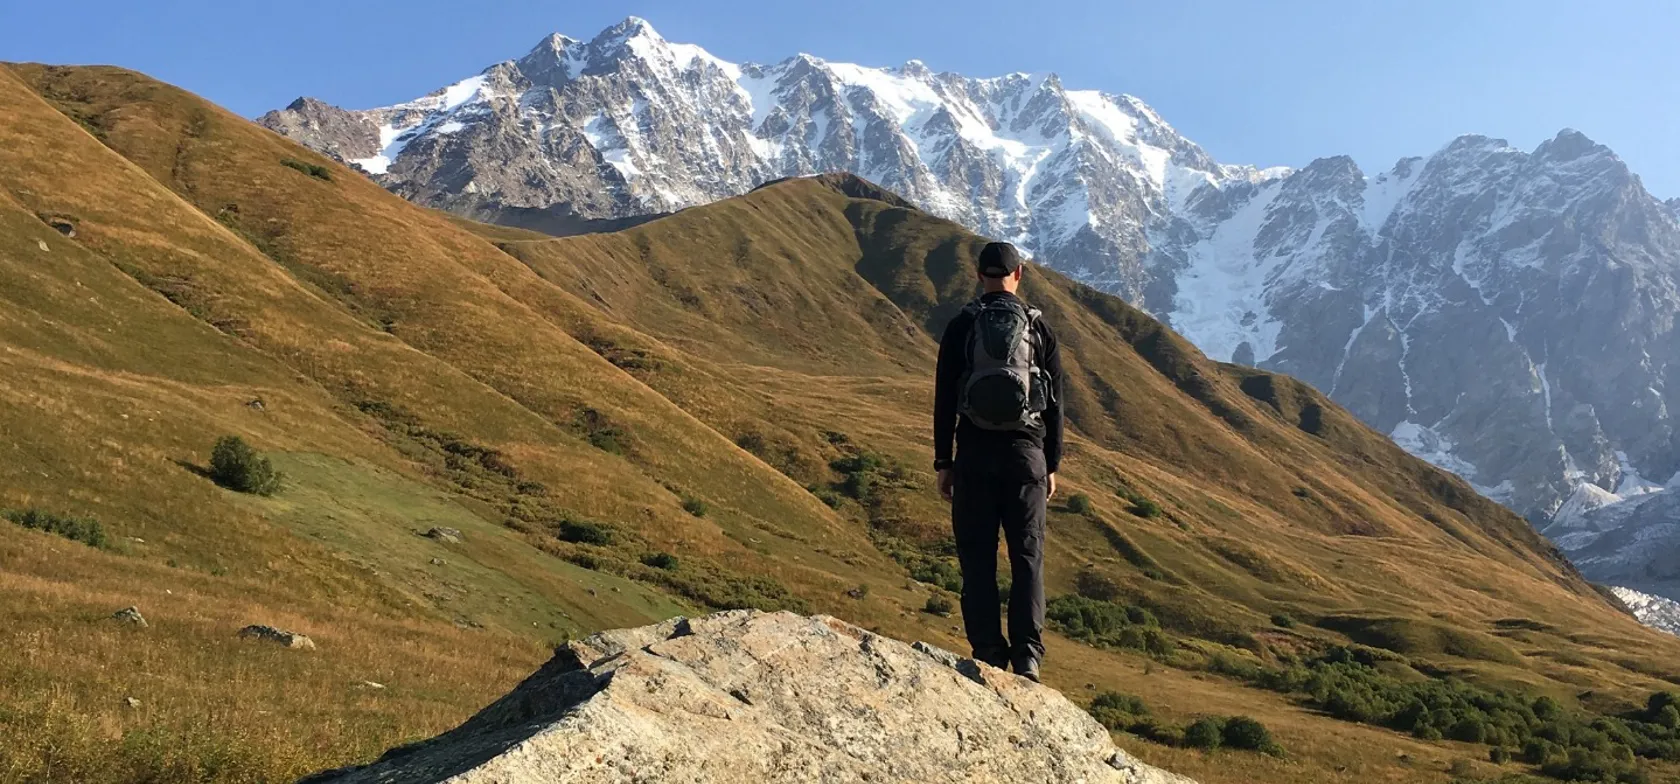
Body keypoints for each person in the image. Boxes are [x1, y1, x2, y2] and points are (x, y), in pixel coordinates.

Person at [933, 240, 1064, 683]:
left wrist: (944, 461)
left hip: (973, 456)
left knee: (977, 559)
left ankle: (989, 653)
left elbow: (944, 398)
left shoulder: (962, 325)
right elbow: (1056, 405)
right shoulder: (1039, 328)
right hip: (1026, 458)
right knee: (1027, 556)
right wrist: (1051, 464)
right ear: (1018, 275)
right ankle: (1028, 658)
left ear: (978, 275)